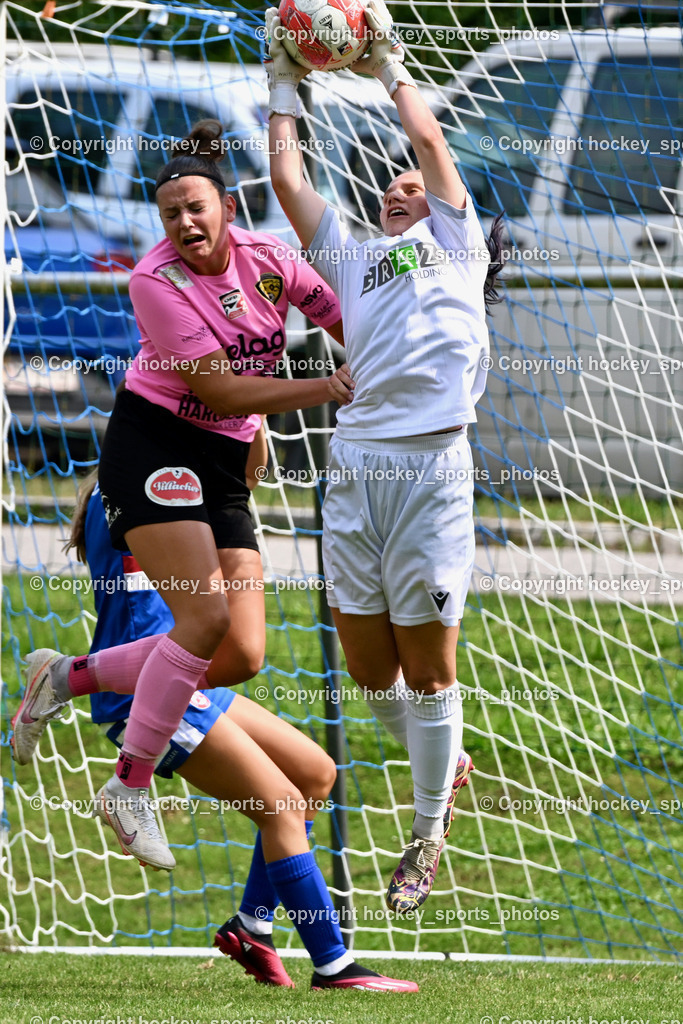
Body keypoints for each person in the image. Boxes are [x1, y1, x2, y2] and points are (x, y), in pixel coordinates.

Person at [11, 117, 354, 874]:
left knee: (240, 652)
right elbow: (217, 386)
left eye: (196, 207)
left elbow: (344, 315)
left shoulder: (274, 260)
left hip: (226, 454)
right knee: (201, 620)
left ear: (227, 206)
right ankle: (130, 787)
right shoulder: (154, 280)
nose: (184, 223)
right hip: (155, 447)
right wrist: (325, 387)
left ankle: (65, 676)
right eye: (170, 214)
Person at [266, 1, 503, 914]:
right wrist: (282, 76)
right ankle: (444, 755)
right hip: (356, 469)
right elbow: (287, 174)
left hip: (432, 470)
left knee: (430, 668)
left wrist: (385, 59)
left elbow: (427, 136)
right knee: (370, 671)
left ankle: (426, 829)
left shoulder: (455, 242)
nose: (399, 190)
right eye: (391, 189)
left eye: (413, 186)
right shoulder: (354, 261)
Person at [12, 469, 419, 992]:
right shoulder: (145, 484)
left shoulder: (157, 477)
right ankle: (333, 965)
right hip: (149, 690)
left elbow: (245, 469)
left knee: (315, 772)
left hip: (185, 675)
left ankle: (253, 928)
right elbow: (245, 468)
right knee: (280, 807)